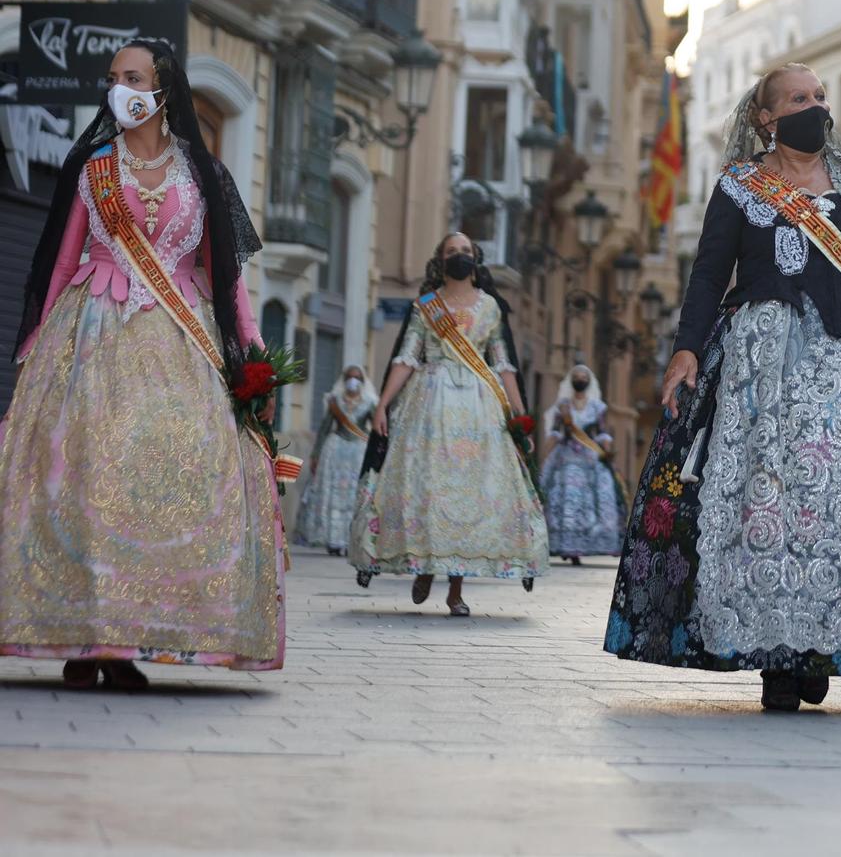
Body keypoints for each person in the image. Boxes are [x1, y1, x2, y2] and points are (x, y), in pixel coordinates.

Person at [604, 63, 841, 711]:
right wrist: (685, 348)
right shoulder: (741, 187)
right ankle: (778, 651)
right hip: (766, 371)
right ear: (765, 118)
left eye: (821, 96)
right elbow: (709, 274)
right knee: (775, 500)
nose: (815, 106)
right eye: (799, 98)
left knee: (839, 505)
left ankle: (819, 642)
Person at [0, 38, 282, 688]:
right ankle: (86, 637)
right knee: (84, 476)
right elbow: (63, 260)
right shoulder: (94, 167)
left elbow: (226, 274)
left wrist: (253, 350)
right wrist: (37, 345)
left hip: (181, 342)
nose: (117, 88)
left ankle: (136, 634)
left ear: (162, 89)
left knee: (160, 476)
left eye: (131, 76)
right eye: (112, 77)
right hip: (91, 333)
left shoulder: (202, 173)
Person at [349, 233, 548, 616]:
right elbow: (407, 357)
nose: (460, 257)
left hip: (480, 409)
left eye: (466, 252)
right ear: (440, 261)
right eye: (452, 252)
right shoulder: (427, 306)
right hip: (429, 404)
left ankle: (456, 588)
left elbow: (503, 364)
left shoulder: (490, 307)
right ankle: (424, 566)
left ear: (476, 259)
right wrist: (383, 405)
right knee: (428, 486)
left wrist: (520, 418)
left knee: (470, 491)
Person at [540, 363, 625, 563]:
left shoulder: (597, 408)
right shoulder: (563, 407)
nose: (580, 379)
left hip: (590, 457)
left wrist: (607, 453)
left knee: (597, 495)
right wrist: (545, 456)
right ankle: (565, 545)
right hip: (566, 457)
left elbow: (602, 432)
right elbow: (555, 432)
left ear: (588, 381)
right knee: (565, 496)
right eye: (576, 376)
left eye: (583, 376)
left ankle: (587, 544)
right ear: (571, 380)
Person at [293, 365, 377, 555]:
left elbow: (376, 428)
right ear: (344, 379)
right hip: (335, 451)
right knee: (333, 496)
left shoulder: (369, 402)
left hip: (358, 453)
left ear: (363, 382)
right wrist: (315, 454)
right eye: (349, 377)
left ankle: (351, 540)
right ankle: (333, 539)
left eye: (356, 377)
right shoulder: (335, 401)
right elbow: (324, 428)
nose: (352, 381)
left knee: (354, 496)